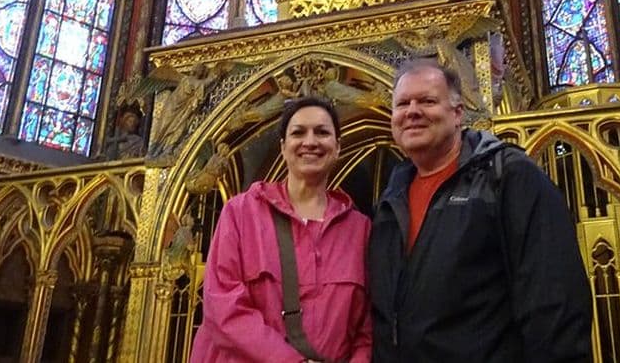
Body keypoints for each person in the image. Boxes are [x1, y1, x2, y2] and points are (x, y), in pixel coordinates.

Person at [369, 59, 592, 362]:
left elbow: (554, 301)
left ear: (458, 113)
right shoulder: (389, 201)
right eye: (402, 104)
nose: (412, 112)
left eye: (428, 101)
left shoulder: (508, 177)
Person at [190, 97, 372, 362]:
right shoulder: (241, 213)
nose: (310, 141)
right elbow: (223, 306)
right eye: (298, 132)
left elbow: (366, 327)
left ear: (337, 147)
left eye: (322, 132)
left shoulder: (360, 230)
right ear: (284, 148)